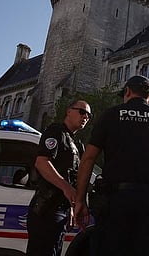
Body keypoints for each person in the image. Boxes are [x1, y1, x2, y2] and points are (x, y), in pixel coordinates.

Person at [74, 75, 149, 256]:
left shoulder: (111, 115)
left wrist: (80, 200)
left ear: (127, 92)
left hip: (116, 202)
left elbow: (88, 159)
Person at [27, 100, 91, 256]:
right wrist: (66, 187)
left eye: (89, 115)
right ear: (69, 111)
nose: (85, 117)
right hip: (46, 209)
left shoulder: (77, 144)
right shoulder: (56, 132)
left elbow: (75, 178)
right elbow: (42, 162)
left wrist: (74, 205)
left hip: (60, 210)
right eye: (82, 112)